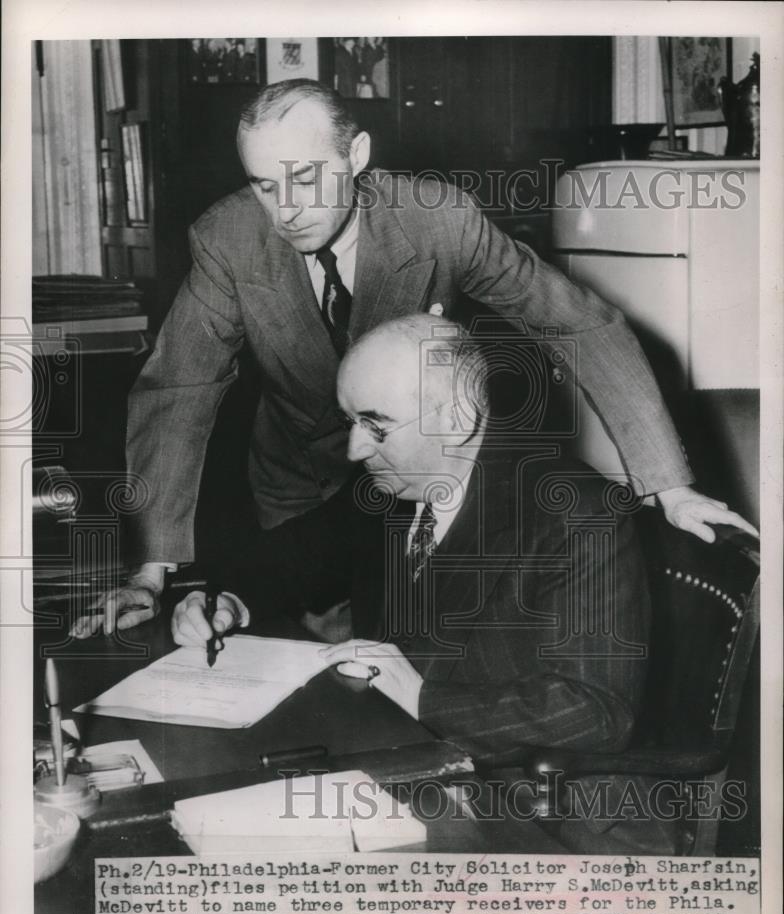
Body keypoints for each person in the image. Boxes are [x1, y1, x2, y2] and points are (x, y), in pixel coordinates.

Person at [70, 79, 756, 639]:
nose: (287, 210)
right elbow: (177, 389)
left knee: (405, 651)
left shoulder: (439, 221)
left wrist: (670, 487)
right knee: (295, 650)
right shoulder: (227, 241)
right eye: (264, 185)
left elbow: (581, 322)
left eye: (304, 178)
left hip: (418, 475)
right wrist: (154, 568)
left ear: (358, 154)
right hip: (294, 486)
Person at [172, 315, 675, 853]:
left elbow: (594, 712)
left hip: (545, 812)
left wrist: (419, 695)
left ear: (457, 420)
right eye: (351, 422)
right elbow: (288, 558)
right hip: (407, 769)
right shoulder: (390, 487)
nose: (355, 450)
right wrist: (224, 601)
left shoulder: (574, 512)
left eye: (376, 425)